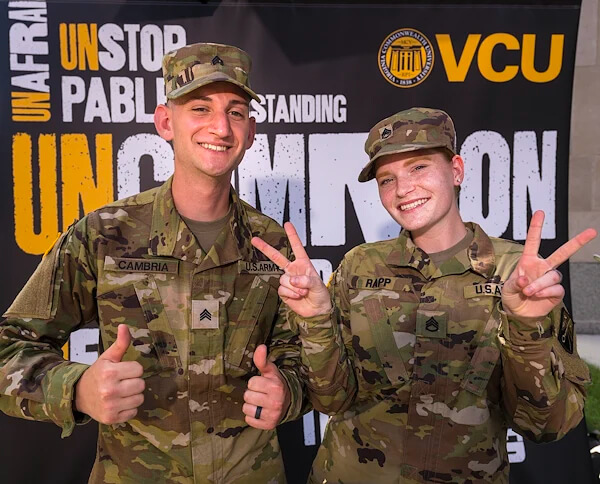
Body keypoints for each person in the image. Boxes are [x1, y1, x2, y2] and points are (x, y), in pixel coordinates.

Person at [0, 42, 306, 483]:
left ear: (250, 130)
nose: (220, 127)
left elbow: (301, 358)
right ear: (165, 122)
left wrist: (288, 391)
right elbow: (9, 347)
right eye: (200, 108)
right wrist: (77, 389)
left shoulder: (272, 242)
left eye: (236, 112)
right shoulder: (104, 234)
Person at [251, 107, 597, 483]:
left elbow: (548, 426)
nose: (402, 189)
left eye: (418, 167)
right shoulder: (360, 267)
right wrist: (317, 318)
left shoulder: (520, 274)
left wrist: (527, 328)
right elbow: (333, 399)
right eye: (387, 179)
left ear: (457, 170)